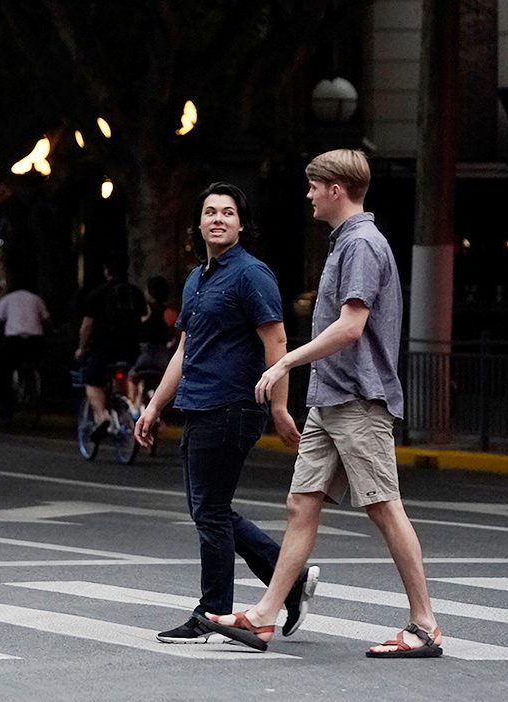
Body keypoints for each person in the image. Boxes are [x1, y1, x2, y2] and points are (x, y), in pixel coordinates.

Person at [199, 149, 444, 657]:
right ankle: (264, 617)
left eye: (314, 186)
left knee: (384, 507)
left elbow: (351, 328)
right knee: (301, 504)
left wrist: (286, 363)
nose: (308, 195)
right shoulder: (343, 244)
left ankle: (424, 625)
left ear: (336, 189)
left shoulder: (361, 245)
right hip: (330, 401)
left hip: (358, 398)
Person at [133, 182, 316, 644]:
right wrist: (155, 405)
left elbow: (277, 343)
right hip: (198, 404)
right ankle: (289, 578)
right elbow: (185, 348)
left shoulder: (251, 275)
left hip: (233, 405)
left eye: (228, 213)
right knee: (209, 510)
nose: (218, 218)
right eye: (210, 211)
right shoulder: (198, 278)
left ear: (240, 223)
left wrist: (278, 407)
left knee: (210, 511)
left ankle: (212, 611)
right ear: (199, 223)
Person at [75, 259, 147, 439]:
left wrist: (81, 348)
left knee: (92, 382)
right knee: (125, 377)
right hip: (131, 348)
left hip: (104, 348)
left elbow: (87, 325)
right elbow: (143, 318)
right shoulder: (135, 293)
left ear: (106, 271)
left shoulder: (98, 293)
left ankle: (102, 416)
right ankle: (127, 408)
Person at [0, 283, 51, 419]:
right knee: (36, 365)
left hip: (14, 339)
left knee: (3, 371)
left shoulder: (8, 298)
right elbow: (46, 318)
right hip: (35, 339)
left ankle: (5, 406)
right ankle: (38, 394)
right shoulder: (36, 299)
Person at [128, 275, 179, 410]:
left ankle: (133, 407)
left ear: (149, 292)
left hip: (143, 356)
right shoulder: (170, 313)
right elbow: (177, 335)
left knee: (132, 377)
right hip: (162, 357)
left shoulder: (145, 310)